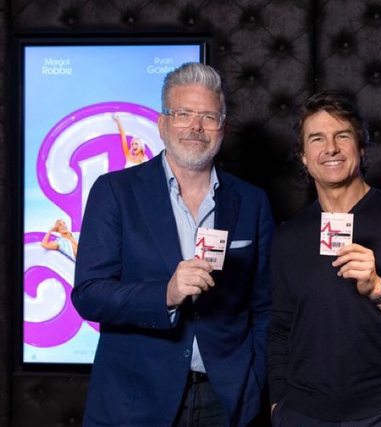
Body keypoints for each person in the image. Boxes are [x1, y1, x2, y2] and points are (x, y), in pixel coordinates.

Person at [72, 62, 274, 427]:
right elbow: (89, 294)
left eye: (208, 117)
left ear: (223, 128)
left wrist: (256, 381)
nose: (196, 127)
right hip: (134, 400)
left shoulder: (251, 202)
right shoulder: (115, 192)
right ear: (163, 124)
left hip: (226, 400)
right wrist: (165, 294)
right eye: (183, 114)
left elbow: (264, 307)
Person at [268, 91, 381, 426]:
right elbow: (280, 328)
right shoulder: (289, 235)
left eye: (342, 136)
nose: (331, 148)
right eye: (317, 138)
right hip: (305, 414)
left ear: (361, 147)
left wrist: (379, 288)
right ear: (303, 156)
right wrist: (278, 403)